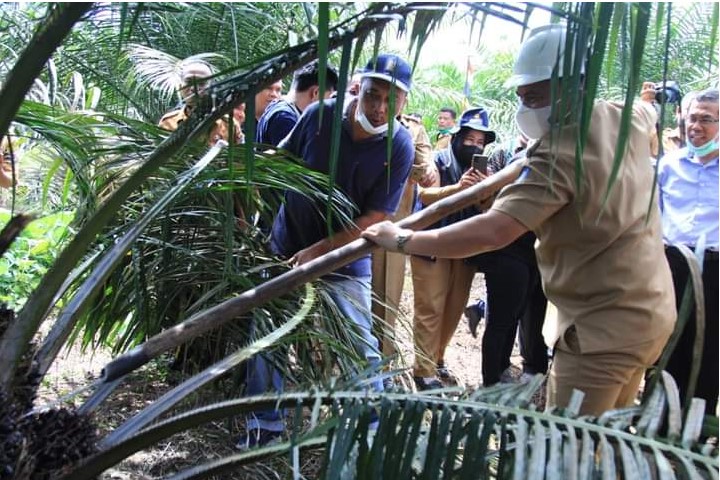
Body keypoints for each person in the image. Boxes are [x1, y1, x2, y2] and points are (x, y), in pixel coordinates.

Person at [362, 24, 676, 416]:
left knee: (569, 449)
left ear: (573, 87)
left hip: (600, 331)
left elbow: (494, 229)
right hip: (652, 313)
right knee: (606, 440)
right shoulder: (626, 114)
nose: (525, 108)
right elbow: (649, 109)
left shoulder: (558, 154)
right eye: (521, 97)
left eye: (534, 96)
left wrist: (403, 239)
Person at [238, 53, 415, 449]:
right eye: (373, 95)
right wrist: (244, 171)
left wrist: (321, 251)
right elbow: (282, 159)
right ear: (360, 88)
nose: (380, 107)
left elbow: (375, 218)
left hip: (345, 260)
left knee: (358, 342)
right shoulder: (320, 115)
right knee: (269, 333)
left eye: (392, 100)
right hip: (287, 246)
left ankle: (369, 429)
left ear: (405, 102)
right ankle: (265, 424)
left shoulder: (399, 146)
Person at [408, 107, 493, 390]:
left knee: (454, 307)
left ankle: (438, 359)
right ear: (458, 138)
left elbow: (488, 210)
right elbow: (424, 195)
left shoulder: (485, 171)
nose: (474, 146)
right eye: (470, 140)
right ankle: (423, 370)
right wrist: (457, 188)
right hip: (431, 244)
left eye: (480, 142)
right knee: (430, 307)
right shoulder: (440, 160)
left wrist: (484, 191)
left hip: (463, 247)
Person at [463, 134, 549, 386]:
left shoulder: (551, 163)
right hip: (508, 253)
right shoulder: (523, 162)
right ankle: (490, 382)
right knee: (501, 320)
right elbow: (493, 207)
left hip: (531, 253)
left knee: (515, 315)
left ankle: (501, 368)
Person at [656, 88, 718, 415]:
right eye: (692, 118)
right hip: (672, 263)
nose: (696, 125)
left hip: (714, 268)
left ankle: (697, 424)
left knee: (707, 346)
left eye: (706, 119)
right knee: (666, 340)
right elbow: (653, 215)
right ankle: (660, 417)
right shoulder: (669, 166)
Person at [371, 111, 436, 363]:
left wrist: (421, 169)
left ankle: (382, 367)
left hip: (392, 221)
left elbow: (426, 170)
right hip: (350, 217)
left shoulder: (413, 128)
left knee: (385, 302)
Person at [257, 61, 339, 146]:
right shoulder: (285, 118)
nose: (329, 104)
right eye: (329, 98)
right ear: (316, 93)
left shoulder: (280, 109)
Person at [158, 60, 241, 145]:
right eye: (189, 82)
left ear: (212, 86)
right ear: (180, 86)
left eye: (201, 83)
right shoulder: (168, 122)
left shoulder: (229, 125)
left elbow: (239, 156)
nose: (194, 88)